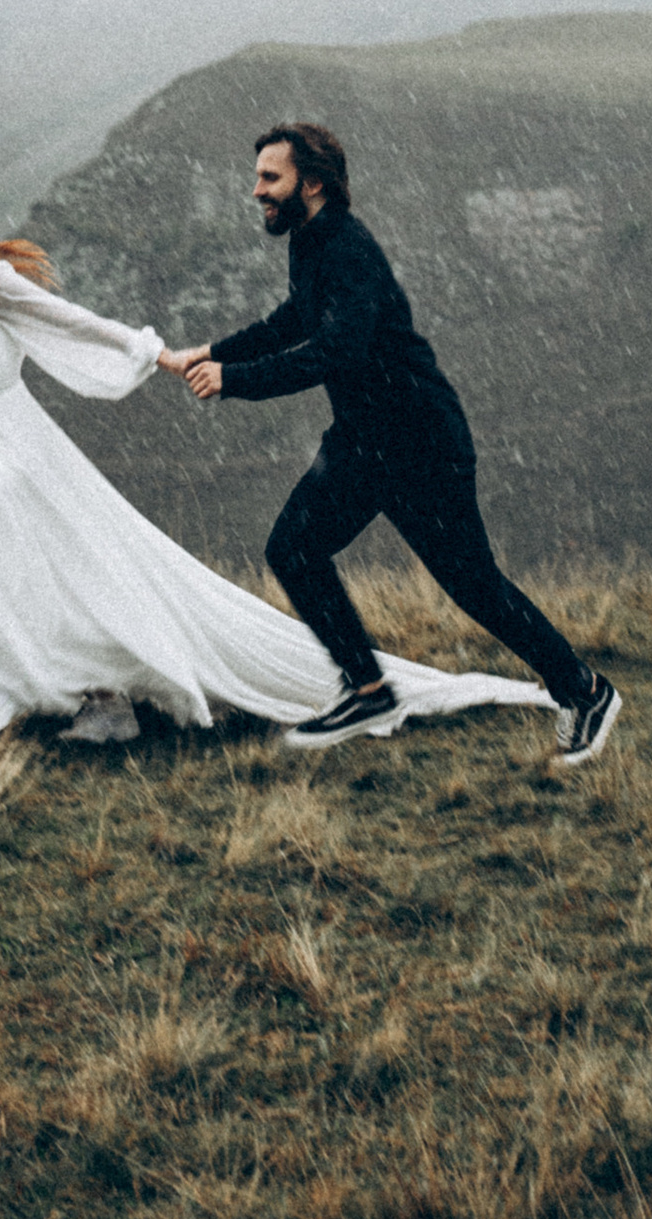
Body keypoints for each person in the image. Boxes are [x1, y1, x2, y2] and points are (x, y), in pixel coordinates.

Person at [0, 173, 556, 749]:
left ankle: (46, 689)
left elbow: (77, 326)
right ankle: (8, 685)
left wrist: (155, 354)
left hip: (17, 441)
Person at [167, 123, 621, 767]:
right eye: (258, 177)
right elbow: (294, 320)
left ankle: (584, 692)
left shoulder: (347, 248)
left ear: (313, 182)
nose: (256, 191)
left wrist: (233, 380)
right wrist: (212, 351)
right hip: (364, 441)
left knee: (473, 585)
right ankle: (370, 689)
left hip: (418, 441)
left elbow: (336, 349)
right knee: (293, 549)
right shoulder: (311, 240)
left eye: (270, 178)